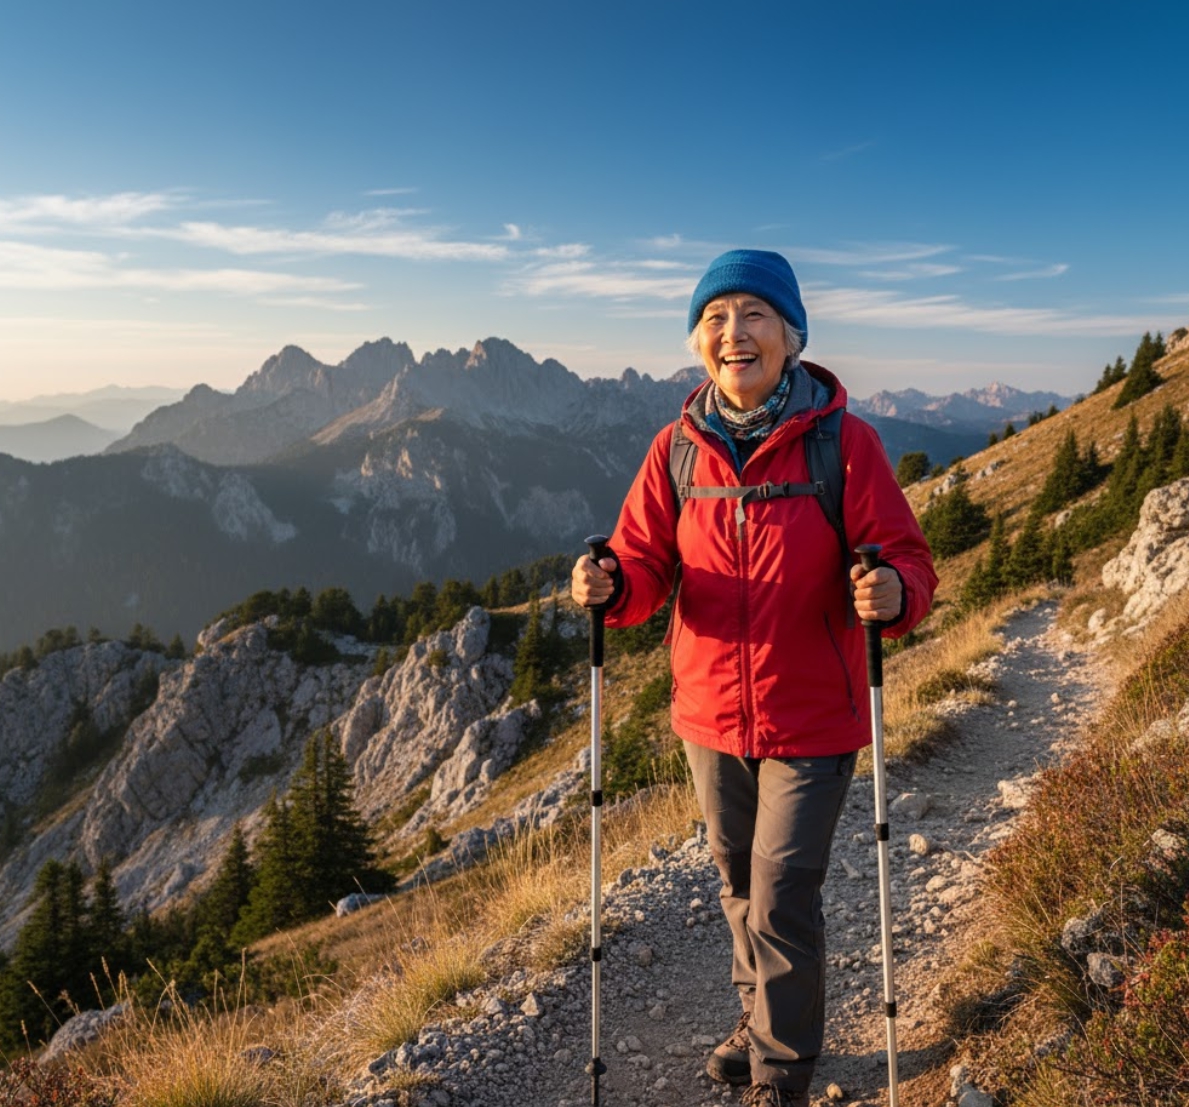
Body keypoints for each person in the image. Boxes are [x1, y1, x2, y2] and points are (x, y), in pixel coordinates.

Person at [571, 249, 937, 1106]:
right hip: (709, 714)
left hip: (812, 713)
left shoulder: (844, 443)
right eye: (715, 318)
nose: (733, 334)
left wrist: (893, 593)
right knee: (738, 884)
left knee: (778, 894)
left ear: (790, 335)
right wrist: (614, 585)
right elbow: (643, 562)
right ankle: (758, 1016)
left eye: (753, 316)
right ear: (699, 340)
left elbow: (910, 562)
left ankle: (780, 1070)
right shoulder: (676, 450)